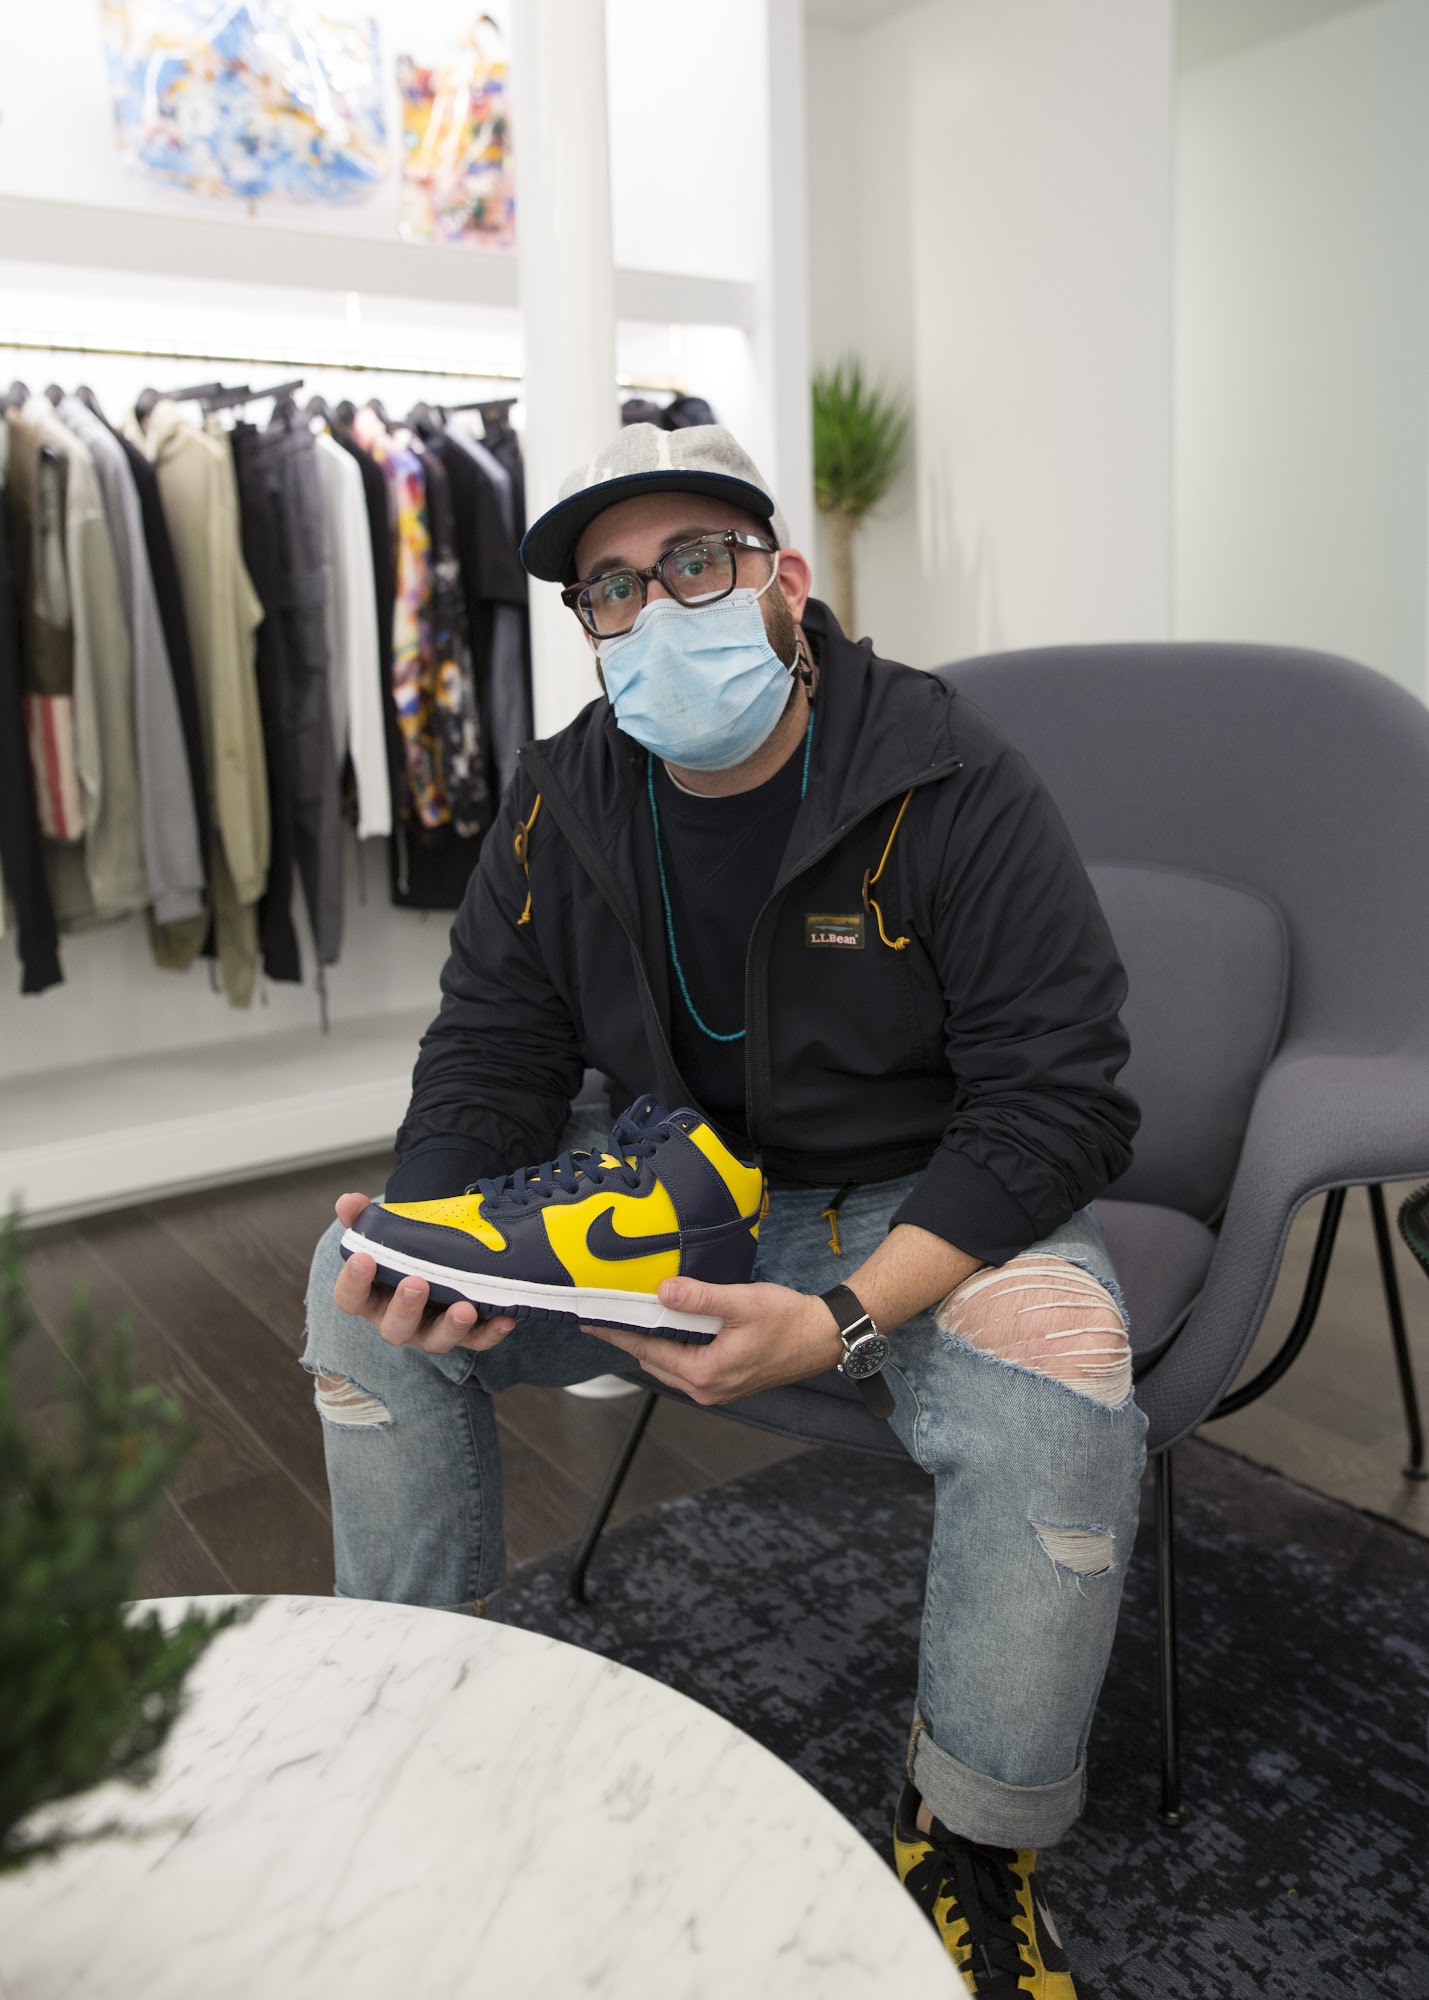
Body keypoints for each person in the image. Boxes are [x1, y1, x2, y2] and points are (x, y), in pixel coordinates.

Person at [304, 424, 1143, 1998]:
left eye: (695, 561)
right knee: (354, 1298)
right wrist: (424, 1231)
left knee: (1062, 1368)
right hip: (664, 1183)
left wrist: (840, 1321)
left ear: (784, 580)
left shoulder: (946, 776)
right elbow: (492, 1046)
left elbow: (1057, 1098)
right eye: (612, 588)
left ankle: (970, 1838)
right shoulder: (563, 795)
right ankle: (425, 1723)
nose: (654, 605)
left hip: (912, 1199)